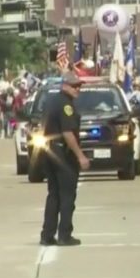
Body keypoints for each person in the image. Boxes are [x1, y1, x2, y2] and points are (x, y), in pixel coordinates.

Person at [40, 71, 90, 247]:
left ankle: (47, 235)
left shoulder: (52, 101)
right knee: (67, 196)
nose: (78, 89)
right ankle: (64, 235)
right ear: (64, 85)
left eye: (79, 86)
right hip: (62, 153)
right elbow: (68, 133)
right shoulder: (66, 105)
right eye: (74, 86)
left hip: (50, 152)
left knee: (53, 195)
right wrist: (80, 156)